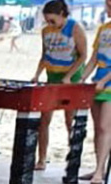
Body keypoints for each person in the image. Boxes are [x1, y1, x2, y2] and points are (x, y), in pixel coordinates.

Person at [32, 0, 87, 171]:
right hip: (52, 76)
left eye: (53, 21)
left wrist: (70, 76)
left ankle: (72, 159)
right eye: (47, 21)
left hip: (70, 77)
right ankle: (41, 158)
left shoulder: (75, 28)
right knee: (44, 119)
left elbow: (83, 55)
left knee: (70, 120)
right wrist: (37, 74)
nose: (50, 24)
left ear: (62, 15)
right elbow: (45, 54)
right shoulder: (46, 32)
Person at [79, 0, 111, 184]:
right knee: (97, 127)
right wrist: (83, 77)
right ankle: (98, 165)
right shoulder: (103, 29)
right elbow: (94, 58)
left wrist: (104, 80)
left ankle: (100, 170)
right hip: (98, 80)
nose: (106, 9)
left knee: (106, 127)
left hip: (107, 83)